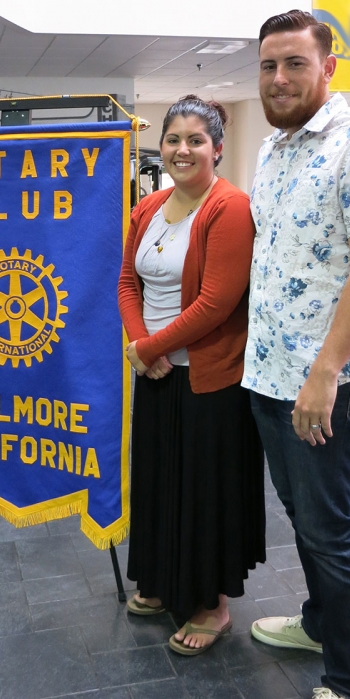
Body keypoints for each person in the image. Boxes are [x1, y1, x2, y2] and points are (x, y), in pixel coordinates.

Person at [244, 10, 350, 699]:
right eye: (269, 65)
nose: (279, 78)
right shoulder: (272, 149)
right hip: (268, 371)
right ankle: (319, 621)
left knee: (329, 526)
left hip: (324, 378)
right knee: (303, 516)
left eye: (294, 64)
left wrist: (326, 373)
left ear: (329, 67)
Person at [118, 95, 265, 655]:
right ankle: (157, 580)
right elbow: (127, 282)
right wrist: (140, 347)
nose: (183, 149)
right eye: (174, 139)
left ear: (217, 149)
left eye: (196, 140)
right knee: (158, 482)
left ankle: (211, 605)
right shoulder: (148, 208)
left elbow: (216, 302)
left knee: (204, 492)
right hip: (156, 372)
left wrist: (149, 346)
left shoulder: (229, 208)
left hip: (209, 378)